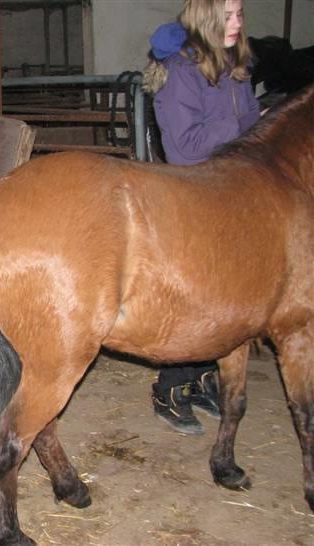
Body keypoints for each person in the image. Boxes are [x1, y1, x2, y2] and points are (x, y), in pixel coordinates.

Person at [143, 0, 260, 434]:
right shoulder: (180, 70)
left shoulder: (233, 64)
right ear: (203, 20)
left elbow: (248, 119)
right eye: (225, 17)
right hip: (193, 191)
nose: (235, 24)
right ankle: (170, 389)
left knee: (233, 298)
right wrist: (243, 125)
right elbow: (186, 148)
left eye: (239, 15)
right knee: (199, 300)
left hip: (230, 187)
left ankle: (206, 375)